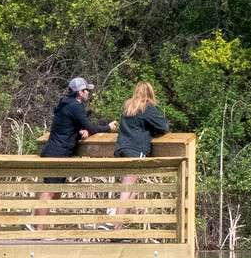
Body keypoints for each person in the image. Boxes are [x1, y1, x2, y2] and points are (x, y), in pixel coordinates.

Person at [38, 77, 115, 217]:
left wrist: (82, 132)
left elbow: (71, 128)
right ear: (80, 92)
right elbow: (90, 126)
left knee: (56, 191)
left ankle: (38, 225)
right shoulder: (74, 106)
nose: (88, 93)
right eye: (86, 90)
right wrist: (108, 128)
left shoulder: (68, 104)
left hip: (59, 152)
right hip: (56, 153)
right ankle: (38, 227)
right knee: (50, 191)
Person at [114, 81, 170, 216]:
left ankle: (118, 226)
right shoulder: (147, 107)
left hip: (122, 149)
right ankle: (112, 221)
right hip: (135, 150)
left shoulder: (128, 107)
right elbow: (163, 127)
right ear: (150, 93)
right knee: (127, 188)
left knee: (132, 186)